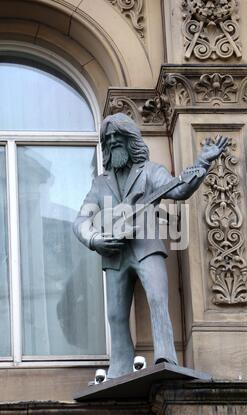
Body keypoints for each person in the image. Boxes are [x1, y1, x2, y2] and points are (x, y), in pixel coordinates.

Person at [73, 113, 228, 379]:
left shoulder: (150, 171)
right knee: (115, 314)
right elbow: (81, 220)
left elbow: (178, 190)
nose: (113, 142)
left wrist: (201, 163)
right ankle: (120, 367)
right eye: (108, 139)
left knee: (158, 298)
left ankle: (165, 355)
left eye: (117, 137)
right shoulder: (100, 184)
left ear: (129, 139)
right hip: (114, 252)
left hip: (146, 247)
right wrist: (95, 240)